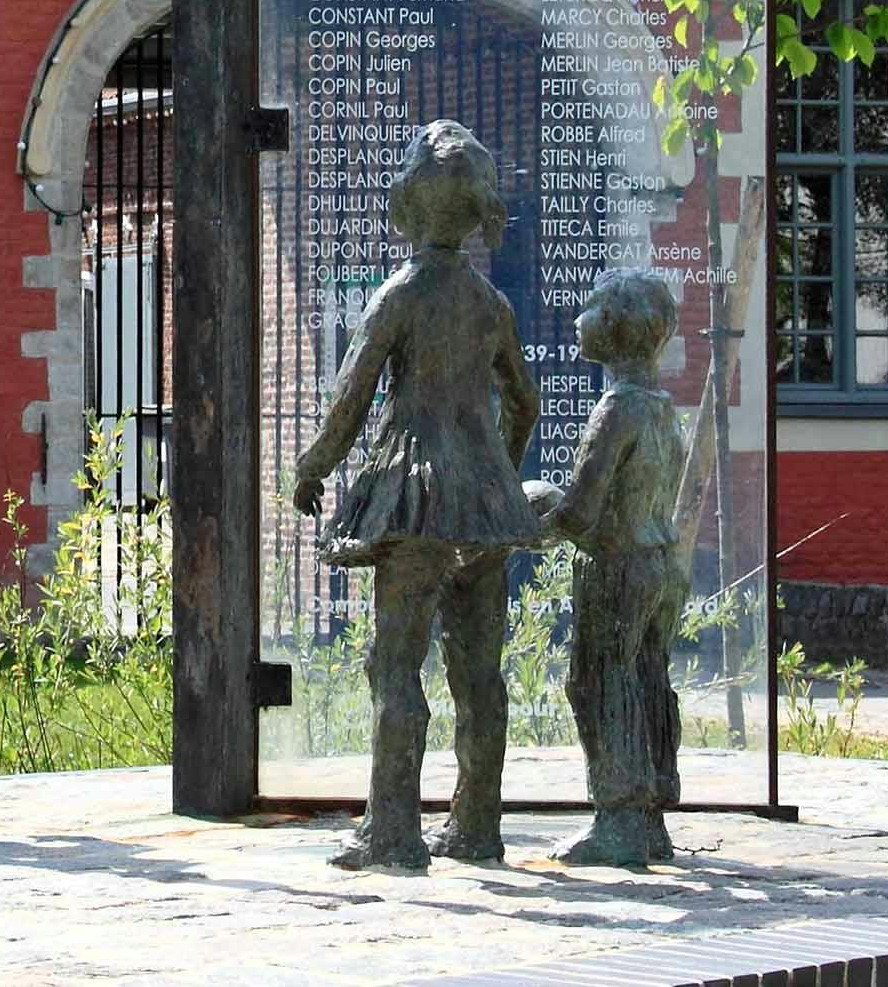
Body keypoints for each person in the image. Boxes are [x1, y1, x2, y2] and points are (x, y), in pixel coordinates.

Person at [292, 120, 545, 870]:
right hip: (480, 501)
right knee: (479, 671)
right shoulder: (489, 303)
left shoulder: (398, 295)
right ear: (477, 214)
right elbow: (523, 402)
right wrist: (498, 473)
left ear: (404, 205)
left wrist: (310, 468)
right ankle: (476, 828)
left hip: (413, 495)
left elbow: (352, 397)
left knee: (395, 663)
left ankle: (392, 832)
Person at [534, 265, 690, 867]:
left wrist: (533, 511)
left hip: (617, 565)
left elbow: (580, 509)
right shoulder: (660, 407)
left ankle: (619, 818)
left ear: (614, 328)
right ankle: (651, 818)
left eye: (591, 308)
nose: (580, 319)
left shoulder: (616, 409)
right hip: (659, 561)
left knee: (600, 681)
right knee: (648, 676)